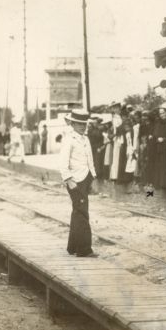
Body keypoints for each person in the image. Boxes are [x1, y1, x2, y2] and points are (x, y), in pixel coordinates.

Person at [59, 109, 97, 257]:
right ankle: (84, 249)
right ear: (73, 124)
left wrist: (93, 177)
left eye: (84, 124)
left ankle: (73, 247)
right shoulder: (69, 139)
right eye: (79, 124)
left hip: (86, 178)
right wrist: (68, 179)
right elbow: (63, 162)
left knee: (77, 211)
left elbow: (90, 159)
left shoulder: (85, 139)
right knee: (82, 213)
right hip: (75, 180)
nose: (82, 127)